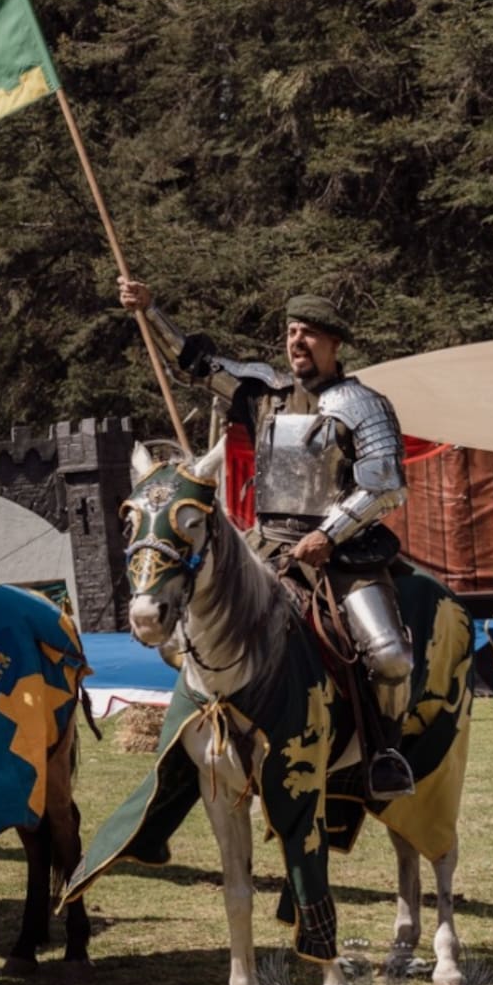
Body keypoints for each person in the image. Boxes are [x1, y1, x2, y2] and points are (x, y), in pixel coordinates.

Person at [118, 278, 415, 799]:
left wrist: (328, 534)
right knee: (182, 637)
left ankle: (384, 752)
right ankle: (203, 746)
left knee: (390, 656)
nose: (297, 342)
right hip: (267, 545)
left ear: (334, 344)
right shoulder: (262, 394)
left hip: (344, 554)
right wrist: (151, 309)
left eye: (310, 334)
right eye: (292, 331)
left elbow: (386, 487)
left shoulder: (365, 406)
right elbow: (197, 363)